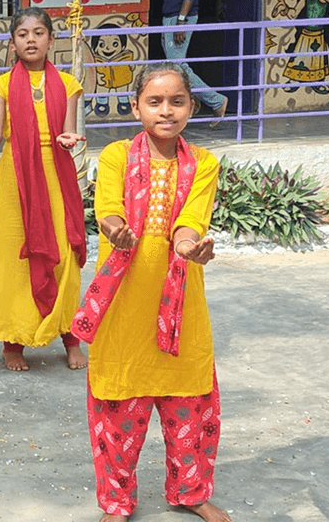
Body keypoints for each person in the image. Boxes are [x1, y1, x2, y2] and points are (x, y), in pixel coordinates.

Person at [71, 62, 228, 522]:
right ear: (137, 105)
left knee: (190, 403)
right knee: (118, 406)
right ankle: (117, 503)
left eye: (176, 101)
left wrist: (189, 248)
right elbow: (108, 209)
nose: (166, 111)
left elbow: (189, 221)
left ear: (191, 107)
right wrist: (117, 231)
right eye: (154, 101)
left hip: (180, 306)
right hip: (124, 306)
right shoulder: (117, 156)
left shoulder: (203, 162)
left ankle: (190, 492)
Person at [0, 7, 88, 372]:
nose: (30, 39)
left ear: (51, 39)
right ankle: (12, 343)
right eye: (22, 33)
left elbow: (67, 131)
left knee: (64, 257)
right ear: (13, 41)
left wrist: (67, 139)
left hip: (57, 176)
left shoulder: (68, 85)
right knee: (15, 260)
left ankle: (70, 339)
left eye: (38, 32)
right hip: (16, 179)